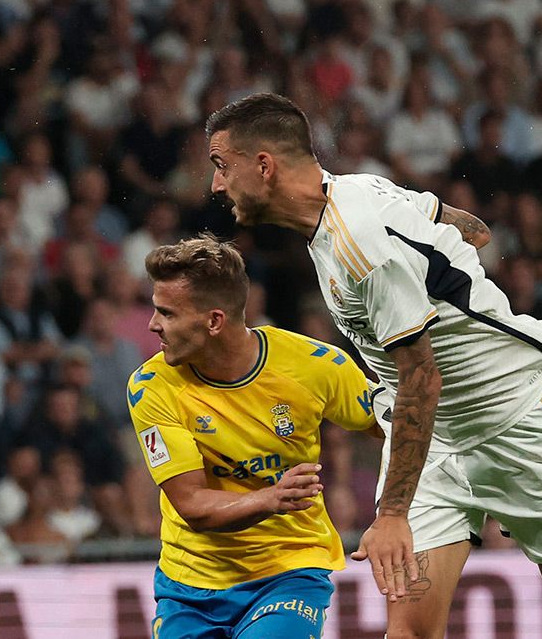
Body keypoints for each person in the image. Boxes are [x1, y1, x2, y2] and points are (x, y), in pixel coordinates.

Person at [205, 91, 542, 639]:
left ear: (264, 165)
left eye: (221, 166)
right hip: (430, 441)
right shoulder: (358, 189)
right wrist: (448, 268)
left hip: (510, 417)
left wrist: (391, 514)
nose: (215, 184)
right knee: (411, 631)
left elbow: (423, 376)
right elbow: (467, 225)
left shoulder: (361, 247)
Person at [129, 236, 379, 638]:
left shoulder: (315, 366)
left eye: (167, 313)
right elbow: (191, 503)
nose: (153, 324)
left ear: (214, 321)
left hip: (288, 570)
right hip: (188, 584)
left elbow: (397, 427)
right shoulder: (151, 386)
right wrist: (271, 498)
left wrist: (394, 512)